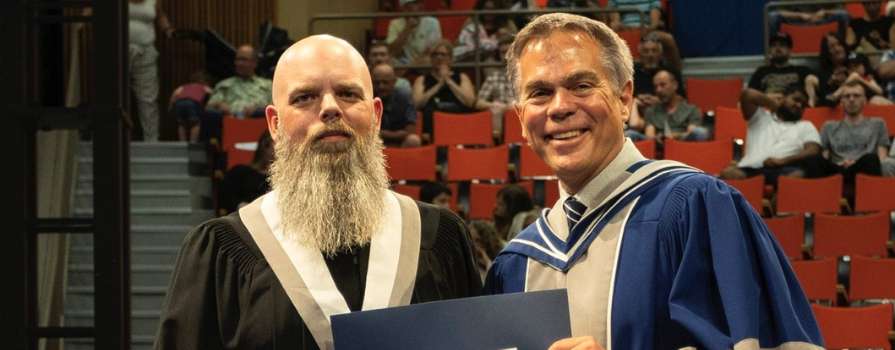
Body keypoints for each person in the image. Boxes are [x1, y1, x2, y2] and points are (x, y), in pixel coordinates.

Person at [483, 13, 822, 349]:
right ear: (521, 119)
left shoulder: (697, 209)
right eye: (540, 93)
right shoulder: (516, 264)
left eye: (581, 86)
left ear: (624, 99)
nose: (560, 107)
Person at [154, 35, 481, 350]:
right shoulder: (221, 252)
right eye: (304, 97)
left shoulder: (441, 239)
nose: (330, 108)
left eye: (348, 94)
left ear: (377, 115)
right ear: (274, 124)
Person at [720, 84, 822, 185]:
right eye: (796, 100)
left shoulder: (806, 125)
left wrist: (783, 161)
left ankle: (774, 201)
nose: (799, 105)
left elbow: (813, 150)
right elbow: (748, 94)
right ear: (782, 98)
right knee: (728, 173)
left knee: (797, 176)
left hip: (782, 169)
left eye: (803, 105)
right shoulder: (761, 117)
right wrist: (772, 104)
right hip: (750, 168)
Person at [811, 81, 890, 192]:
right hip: (837, 168)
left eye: (856, 96)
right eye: (847, 96)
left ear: (864, 101)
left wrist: (856, 162)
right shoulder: (829, 126)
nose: (851, 99)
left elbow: (882, 158)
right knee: (814, 159)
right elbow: (824, 156)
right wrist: (839, 164)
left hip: (863, 168)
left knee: (872, 159)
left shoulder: (878, 124)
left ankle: (869, 205)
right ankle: (818, 205)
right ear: (842, 101)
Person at [129, 0, 174, 141]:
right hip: (117, 53)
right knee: (113, 98)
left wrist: (168, 29)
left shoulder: (153, 1)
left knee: (148, 99)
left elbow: (160, 16)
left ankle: (151, 141)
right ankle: (112, 139)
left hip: (146, 52)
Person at [413, 40, 477, 138]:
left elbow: (470, 101)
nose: (439, 57)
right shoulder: (422, 79)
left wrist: (449, 81)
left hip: (458, 122)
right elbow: (417, 103)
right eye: (435, 54)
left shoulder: (462, 77)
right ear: (431, 59)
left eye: (443, 54)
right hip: (431, 125)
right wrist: (439, 84)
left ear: (450, 59)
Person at [748, 32, 819, 105]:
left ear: (789, 50)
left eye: (782, 45)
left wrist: (811, 81)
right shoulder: (761, 72)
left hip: (794, 110)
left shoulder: (801, 70)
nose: (777, 48)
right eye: (774, 45)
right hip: (768, 110)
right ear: (770, 50)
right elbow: (750, 96)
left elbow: (818, 84)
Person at [206, 45, 273, 118]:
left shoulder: (268, 85)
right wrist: (219, 105)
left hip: (259, 123)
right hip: (230, 123)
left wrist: (259, 110)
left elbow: (276, 107)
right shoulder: (224, 85)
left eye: (244, 60)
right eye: (238, 60)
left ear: (255, 63)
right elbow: (209, 107)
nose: (239, 63)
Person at [642, 69, 708, 141]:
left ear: (675, 85)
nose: (658, 90)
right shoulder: (651, 111)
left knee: (701, 132)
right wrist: (660, 138)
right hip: (658, 143)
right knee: (631, 134)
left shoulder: (691, 110)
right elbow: (649, 136)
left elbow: (691, 133)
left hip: (682, 143)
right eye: (656, 87)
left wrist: (673, 136)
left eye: (662, 85)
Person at [219, 131, 273, 214]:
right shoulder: (240, 172)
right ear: (262, 146)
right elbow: (225, 195)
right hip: (240, 217)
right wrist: (239, 205)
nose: (273, 151)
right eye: (268, 145)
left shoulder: (280, 180)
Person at [372, 63, 421, 147]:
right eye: (377, 83)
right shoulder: (368, 97)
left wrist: (381, 133)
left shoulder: (405, 97)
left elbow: (410, 131)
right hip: (373, 142)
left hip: (399, 142)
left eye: (385, 82)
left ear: (394, 82)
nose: (381, 87)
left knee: (413, 140)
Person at [386, 0, 442, 64]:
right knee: (389, 61)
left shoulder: (433, 22)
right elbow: (392, 52)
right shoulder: (395, 23)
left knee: (428, 60)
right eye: (416, 3)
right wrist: (407, 28)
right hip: (403, 62)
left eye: (421, 2)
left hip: (424, 61)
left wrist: (415, 63)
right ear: (405, 8)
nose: (421, 6)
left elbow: (433, 49)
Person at [168, 71, 212, 142]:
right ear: (205, 82)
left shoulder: (184, 87)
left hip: (179, 103)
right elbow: (212, 93)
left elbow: (175, 94)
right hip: (192, 103)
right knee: (195, 123)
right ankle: (193, 142)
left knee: (181, 124)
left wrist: (170, 107)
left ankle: (182, 142)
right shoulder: (204, 87)